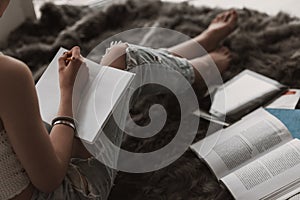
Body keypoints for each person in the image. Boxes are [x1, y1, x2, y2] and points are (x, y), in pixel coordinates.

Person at [0, 0, 238, 199]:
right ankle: (199, 69)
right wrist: (67, 93)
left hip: (25, 169)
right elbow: (49, 178)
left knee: (100, 83)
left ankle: (188, 55)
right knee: (121, 59)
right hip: (65, 192)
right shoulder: (8, 75)